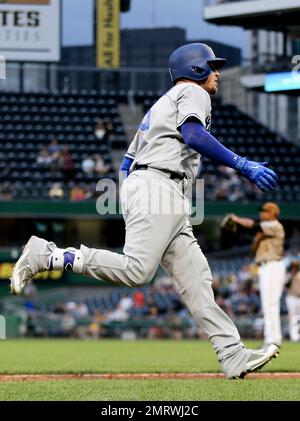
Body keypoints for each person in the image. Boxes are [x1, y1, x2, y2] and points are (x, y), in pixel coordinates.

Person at [10, 43, 279, 379]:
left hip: (161, 190)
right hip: (160, 187)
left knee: (197, 281)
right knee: (137, 270)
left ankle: (232, 354)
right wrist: (243, 164)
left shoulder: (161, 104)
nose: (217, 73)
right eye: (211, 66)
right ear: (195, 70)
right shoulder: (193, 92)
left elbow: (125, 162)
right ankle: (47, 255)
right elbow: (194, 135)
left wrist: (137, 193)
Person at [230, 202, 285, 348]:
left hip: (273, 265)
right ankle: (271, 339)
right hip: (264, 267)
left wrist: (237, 220)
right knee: (267, 305)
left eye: (265, 211)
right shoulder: (264, 231)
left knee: (271, 304)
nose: (262, 213)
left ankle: (273, 339)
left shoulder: (275, 225)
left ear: (273, 213)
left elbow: (253, 225)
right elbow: (253, 246)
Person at [285, 260, 300, 342]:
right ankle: (293, 337)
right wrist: (291, 276)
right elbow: (285, 286)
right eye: (293, 267)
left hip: (299, 298)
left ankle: (298, 335)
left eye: (295, 266)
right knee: (292, 318)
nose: (294, 268)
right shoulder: (288, 275)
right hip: (292, 298)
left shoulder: (299, 274)